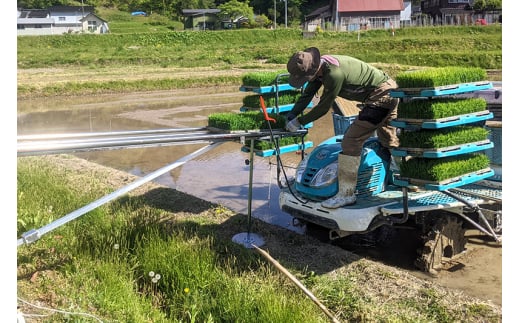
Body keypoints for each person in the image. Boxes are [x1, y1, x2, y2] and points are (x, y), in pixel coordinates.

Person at [285, 47, 399, 208]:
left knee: (351, 140)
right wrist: (292, 114)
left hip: (383, 95)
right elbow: (307, 95)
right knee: (389, 139)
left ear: (312, 70)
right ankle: (406, 179)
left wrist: (299, 122)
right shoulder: (321, 68)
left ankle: (346, 194)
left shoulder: (333, 74)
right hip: (385, 91)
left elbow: (324, 107)